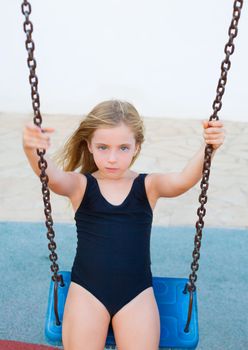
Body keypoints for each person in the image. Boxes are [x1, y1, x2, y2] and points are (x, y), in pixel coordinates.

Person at [22, 99, 225, 350]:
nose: (112, 158)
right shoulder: (81, 186)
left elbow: (182, 180)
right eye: (103, 147)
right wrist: (32, 150)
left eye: (123, 148)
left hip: (136, 293)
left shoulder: (148, 186)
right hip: (87, 291)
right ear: (89, 145)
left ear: (137, 147)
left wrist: (209, 147)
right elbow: (52, 178)